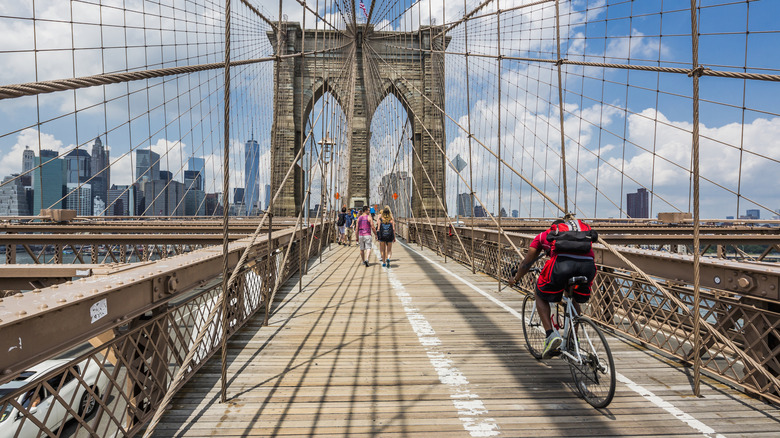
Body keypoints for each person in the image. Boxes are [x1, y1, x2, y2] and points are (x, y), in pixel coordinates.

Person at [508, 216, 598, 359]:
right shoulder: (580, 234)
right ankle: (573, 340)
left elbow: (526, 264)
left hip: (562, 267)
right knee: (573, 298)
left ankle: (550, 335)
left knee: (540, 292)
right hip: (588, 267)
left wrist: (516, 278)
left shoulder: (544, 236)